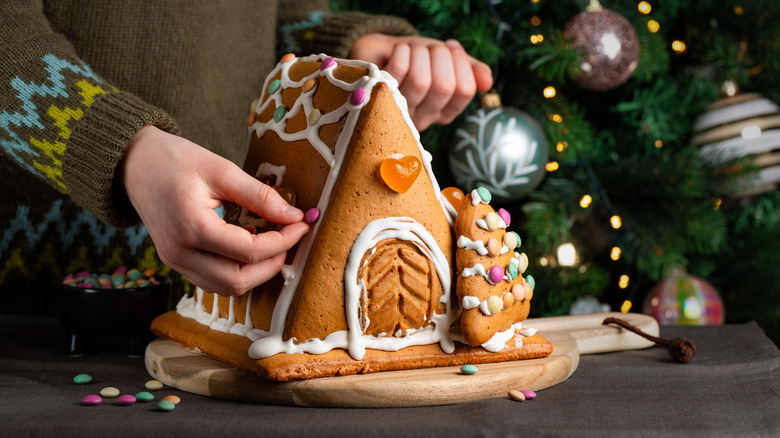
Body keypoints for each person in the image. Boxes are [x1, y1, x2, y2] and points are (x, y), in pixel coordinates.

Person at [0, 0, 492, 303]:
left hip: (247, 302)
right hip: (37, 305)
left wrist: (351, 56)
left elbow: (271, 25)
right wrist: (125, 151)